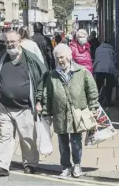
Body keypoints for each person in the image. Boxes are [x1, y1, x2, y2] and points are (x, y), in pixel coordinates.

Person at [37, 43, 99, 179]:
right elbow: (47, 94)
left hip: (77, 114)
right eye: (57, 58)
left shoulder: (82, 71)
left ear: (70, 56)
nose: (60, 60)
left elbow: (92, 91)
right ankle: (65, 167)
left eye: (62, 57)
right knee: (62, 144)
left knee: (76, 142)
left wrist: (93, 108)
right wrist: (46, 112)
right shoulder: (52, 75)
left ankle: (77, 164)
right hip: (60, 115)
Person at [0, 30, 47, 177]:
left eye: (12, 41)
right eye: (7, 42)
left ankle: (30, 163)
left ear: (20, 41)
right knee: (5, 136)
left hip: (25, 107)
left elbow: (43, 79)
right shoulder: (0, 58)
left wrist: (40, 100)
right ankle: (2, 165)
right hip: (5, 106)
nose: (10, 44)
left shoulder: (31, 59)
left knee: (27, 137)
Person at [93, 41, 116, 107]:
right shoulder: (111, 49)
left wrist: (93, 69)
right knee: (109, 86)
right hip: (109, 69)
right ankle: (108, 102)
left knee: (98, 85)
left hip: (99, 68)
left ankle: (95, 101)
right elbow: (114, 60)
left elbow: (96, 58)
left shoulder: (98, 49)